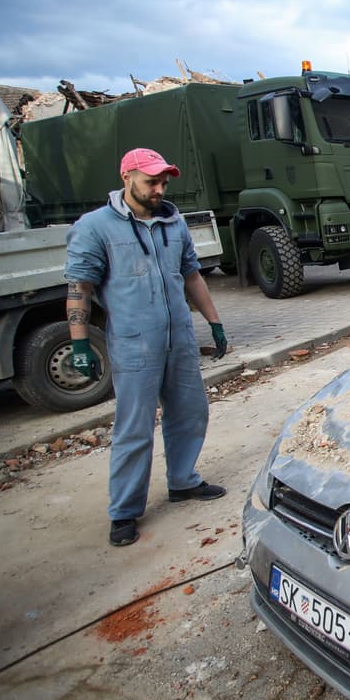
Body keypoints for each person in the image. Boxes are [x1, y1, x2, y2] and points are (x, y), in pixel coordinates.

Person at [65, 148, 229, 547]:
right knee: (134, 429)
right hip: (135, 345)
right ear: (127, 178)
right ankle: (123, 511)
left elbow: (192, 276)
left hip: (180, 341)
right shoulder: (95, 227)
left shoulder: (174, 223)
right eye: (150, 182)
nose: (159, 189)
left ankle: (183, 481)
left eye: (163, 183)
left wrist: (214, 321)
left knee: (190, 413)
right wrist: (80, 344)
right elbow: (79, 288)